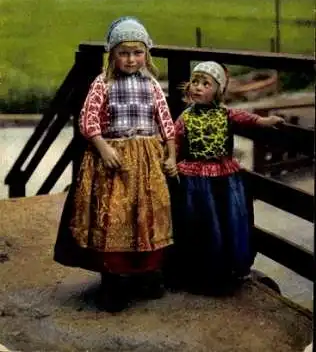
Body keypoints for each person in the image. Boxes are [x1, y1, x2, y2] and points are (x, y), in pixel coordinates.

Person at [54, 16, 177, 312]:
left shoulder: (152, 84)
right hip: (113, 160)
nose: (131, 59)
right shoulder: (102, 83)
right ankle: (112, 281)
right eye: (124, 53)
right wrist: (103, 147)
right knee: (114, 217)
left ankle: (147, 274)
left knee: (147, 215)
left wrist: (171, 153)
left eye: (138, 53)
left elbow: (165, 121)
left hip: (147, 159)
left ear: (146, 53)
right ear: (113, 54)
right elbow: (89, 120)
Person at [167, 61, 284, 296]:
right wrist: (171, 161)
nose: (198, 87)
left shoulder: (225, 114)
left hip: (223, 175)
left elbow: (247, 118)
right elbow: (174, 141)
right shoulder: (185, 118)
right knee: (201, 223)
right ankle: (201, 273)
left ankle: (229, 268)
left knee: (229, 219)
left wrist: (264, 121)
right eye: (195, 82)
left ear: (218, 90)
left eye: (206, 84)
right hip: (195, 179)